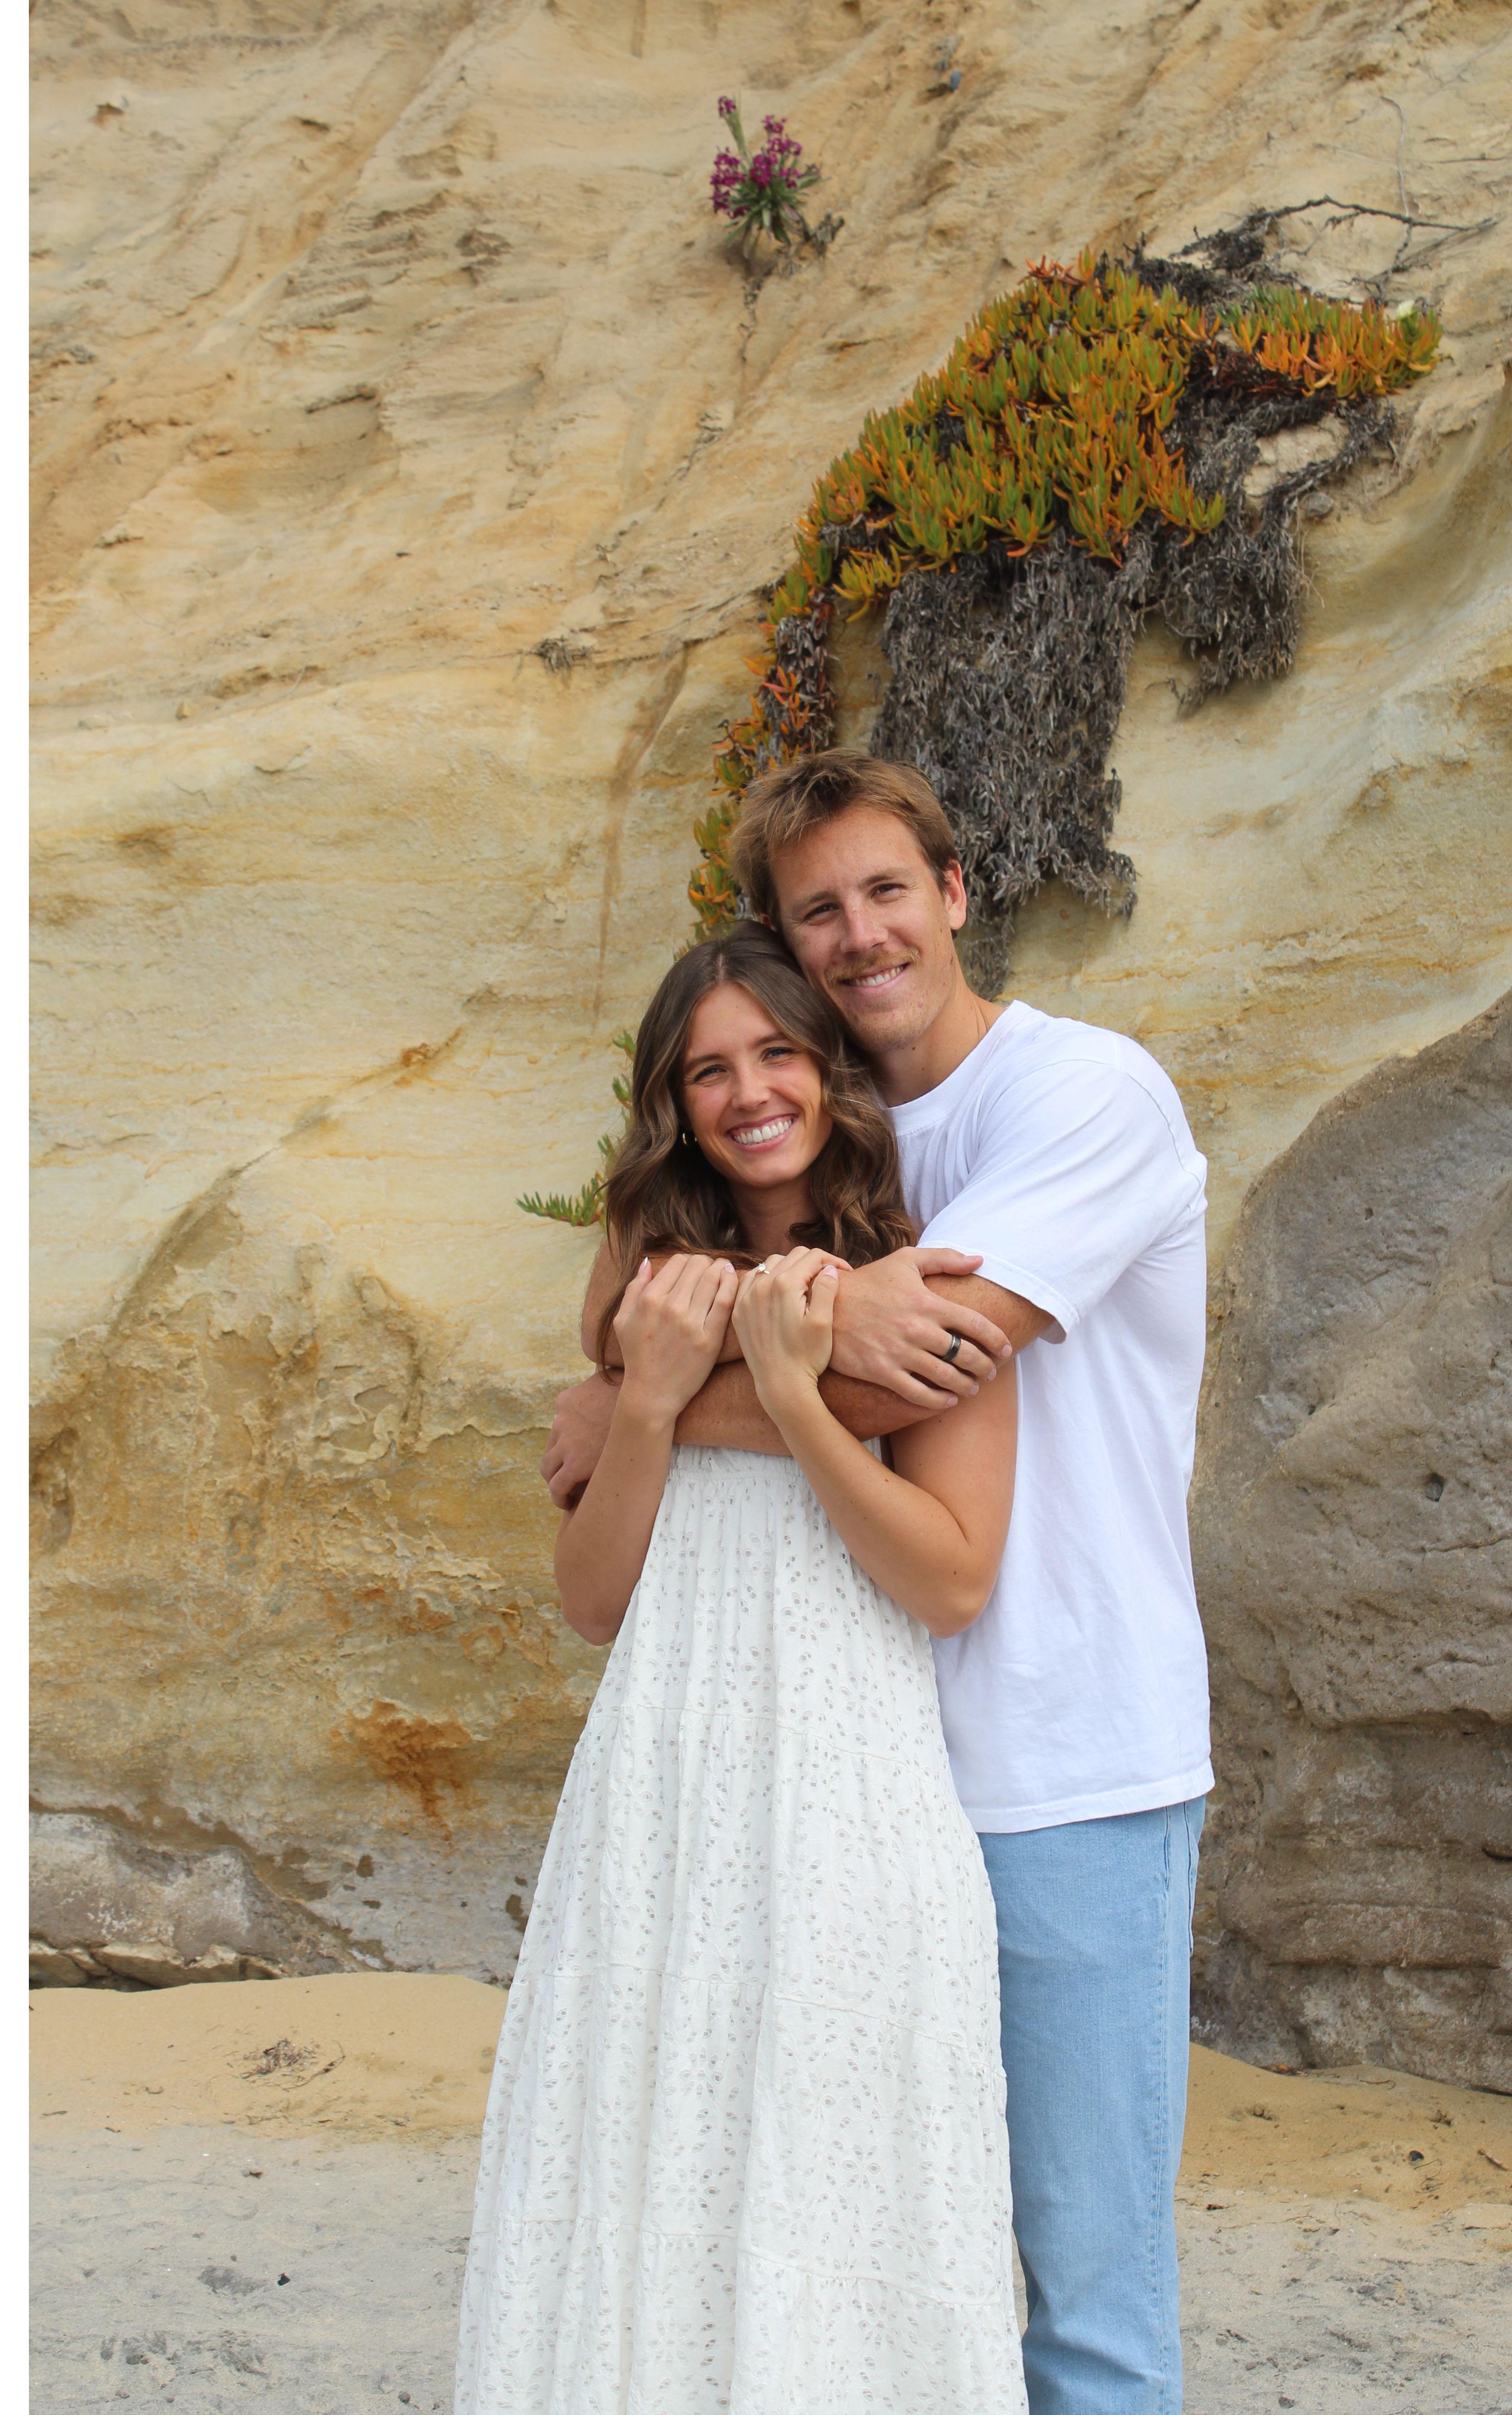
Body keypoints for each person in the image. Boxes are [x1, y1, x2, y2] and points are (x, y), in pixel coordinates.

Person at [542, 751, 1213, 2415]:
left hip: (1063, 1761)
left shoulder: (1081, 1097)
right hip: (856, 1786)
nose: (860, 935)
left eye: (887, 890)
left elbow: (929, 1367)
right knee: (861, 2261)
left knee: (1086, 2294)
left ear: (957, 891)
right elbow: (700, 1346)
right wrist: (653, 1374)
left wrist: (641, 1404)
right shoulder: (831, 1152)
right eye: (818, 912)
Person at [456, 923, 1028, 2415]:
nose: (750, 1092)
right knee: (648, 2164)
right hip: (656, 1799)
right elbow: (593, 1602)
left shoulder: (921, 1278)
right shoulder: (653, 1300)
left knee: (835, 2173)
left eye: (779, 1051)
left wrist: (796, 1396)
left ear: (833, 1068)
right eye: (708, 1070)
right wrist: (645, 1400)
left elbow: (951, 1580)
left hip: (847, 1790)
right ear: (673, 1104)